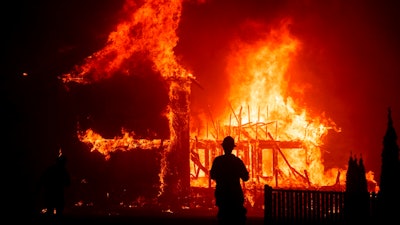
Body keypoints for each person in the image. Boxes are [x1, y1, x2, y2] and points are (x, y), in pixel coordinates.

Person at [210, 136, 250, 225]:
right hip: (235, 195)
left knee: (223, 219)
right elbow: (245, 178)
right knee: (237, 219)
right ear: (232, 147)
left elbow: (212, 175)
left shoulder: (218, 161)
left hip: (222, 195)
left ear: (223, 147)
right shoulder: (237, 161)